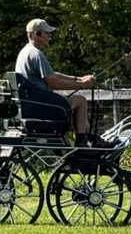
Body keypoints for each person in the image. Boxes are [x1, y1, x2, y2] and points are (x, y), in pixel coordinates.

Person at [15, 18, 109, 147]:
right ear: (36, 34)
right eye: (47, 33)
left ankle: (84, 137)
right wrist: (83, 85)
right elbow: (53, 82)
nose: (49, 37)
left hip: (33, 104)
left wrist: (78, 79)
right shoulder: (36, 54)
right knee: (80, 100)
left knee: (75, 100)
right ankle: (81, 142)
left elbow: (53, 75)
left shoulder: (25, 52)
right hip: (42, 107)